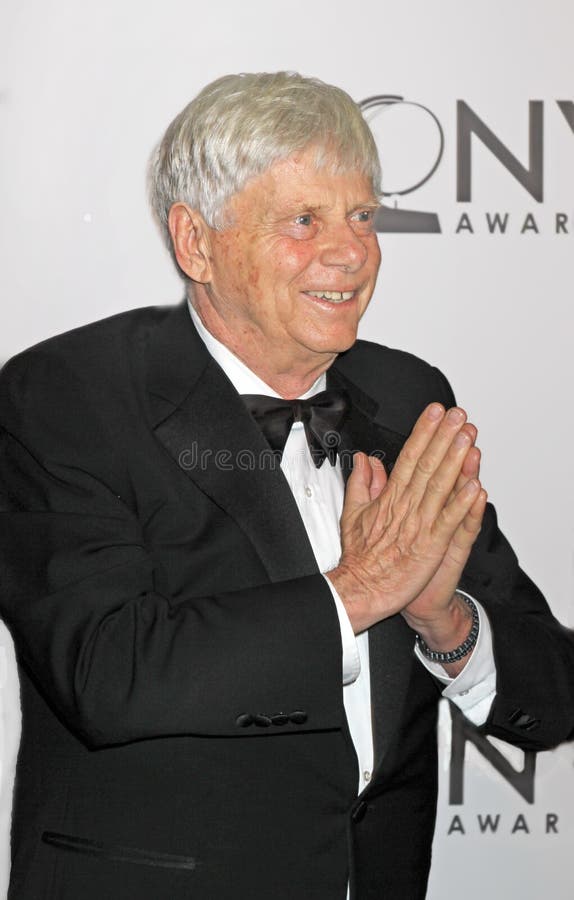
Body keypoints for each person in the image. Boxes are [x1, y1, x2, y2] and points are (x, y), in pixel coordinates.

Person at [0, 72, 572, 900]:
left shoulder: (408, 395)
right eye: (304, 221)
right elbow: (108, 672)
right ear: (197, 242)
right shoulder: (65, 395)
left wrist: (445, 623)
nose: (352, 252)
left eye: (364, 216)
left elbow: (552, 695)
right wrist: (359, 591)